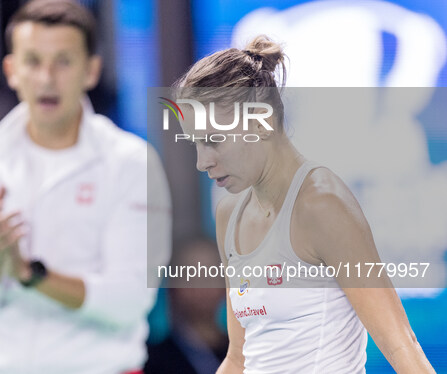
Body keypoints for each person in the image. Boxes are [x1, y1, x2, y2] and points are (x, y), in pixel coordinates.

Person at [173, 35, 435, 373]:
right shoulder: (229, 213)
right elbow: (239, 357)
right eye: (195, 143)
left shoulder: (323, 205)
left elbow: (402, 346)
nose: (201, 162)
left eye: (212, 141)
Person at [0, 1, 171, 373]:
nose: (47, 77)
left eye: (63, 61)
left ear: (91, 70)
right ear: (11, 71)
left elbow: (129, 300)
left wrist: (30, 274)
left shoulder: (132, 162)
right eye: (33, 61)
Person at [145, 238, 228, 374]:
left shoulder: (247, 353)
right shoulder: (151, 360)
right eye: (189, 275)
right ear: (171, 286)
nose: (201, 286)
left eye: (211, 273)